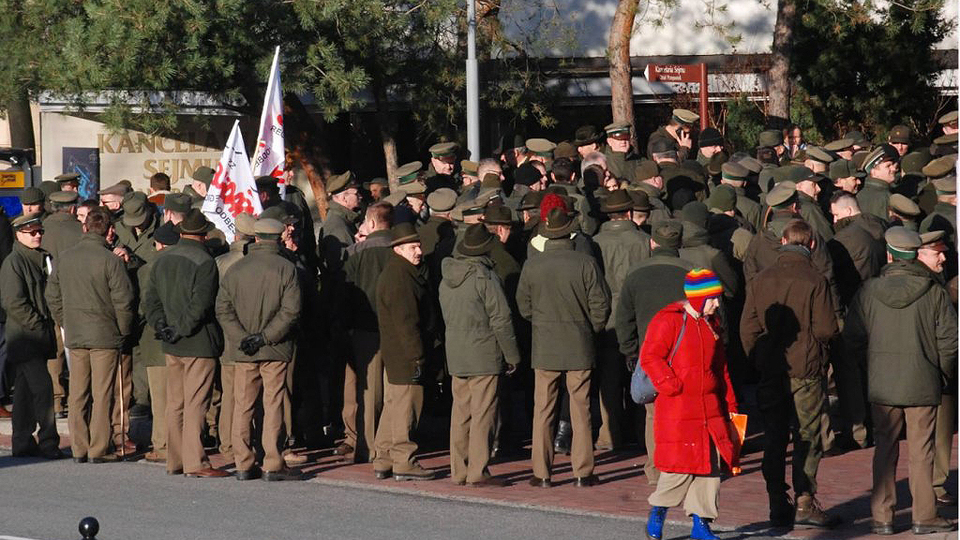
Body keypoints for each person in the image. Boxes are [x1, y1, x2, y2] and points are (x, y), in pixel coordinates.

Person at [843, 227, 957, 535]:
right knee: (922, 451)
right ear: (914, 255)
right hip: (923, 379)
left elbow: (852, 337)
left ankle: (882, 516)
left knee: (885, 448)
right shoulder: (933, 292)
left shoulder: (868, 291)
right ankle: (925, 515)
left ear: (890, 255)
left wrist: (871, 366)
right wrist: (940, 373)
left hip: (883, 382)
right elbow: (950, 340)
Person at [740, 219, 839, 528]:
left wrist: (758, 358)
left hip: (772, 367)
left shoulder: (761, 279)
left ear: (783, 241)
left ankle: (776, 501)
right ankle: (804, 501)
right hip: (806, 367)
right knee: (807, 435)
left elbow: (748, 327)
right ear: (811, 244)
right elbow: (827, 328)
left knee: (774, 435)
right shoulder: (816, 280)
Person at [517, 207, 610, 488]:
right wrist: (589, 329)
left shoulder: (533, 265)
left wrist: (542, 324)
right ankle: (583, 471)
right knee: (581, 409)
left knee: (543, 409)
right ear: (570, 233)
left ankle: (541, 472)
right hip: (579, 343)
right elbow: (601, 305)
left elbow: (524, 306)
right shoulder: (585, 263)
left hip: (545, 345)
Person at [642, 269, 739, 540]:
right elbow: (650, 357)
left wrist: (730, 402)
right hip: (679, 407)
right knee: (678, 469)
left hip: (710, 407)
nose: (716, 303)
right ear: (698, 298)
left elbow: (720, 368)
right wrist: (671, 385)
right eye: (712, 298)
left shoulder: (712, 325)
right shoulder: (669, 321)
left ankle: (701, 524)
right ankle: (658, 511)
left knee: (710, 468)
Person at [46, 206, 135, 463]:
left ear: (85, 227)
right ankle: (98, 448)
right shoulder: (111, 261)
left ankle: (79, 447)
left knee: (78, 392)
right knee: (102, 393)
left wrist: (65, 321)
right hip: (105, 335)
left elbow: (52, 295)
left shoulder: (65, 258)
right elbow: (124, 301)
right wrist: (123, 331)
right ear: (110, 231)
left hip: (76, 333)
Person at [217, 217, 303, 482]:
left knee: (242, 404)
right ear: (278, 239)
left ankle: (243, 462)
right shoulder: (287, 268)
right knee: (273, 403)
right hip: (275, 348)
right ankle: (272, 462)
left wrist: (243, 338)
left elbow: (223, 309)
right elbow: (291, 311)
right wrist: (265, 337)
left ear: (255, 238)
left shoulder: (237, 269)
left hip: (245, 350)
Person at [143, 209, 227, 478]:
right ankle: (195, 462)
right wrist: (179, 329)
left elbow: (151, 300)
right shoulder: (205, 261)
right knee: (196, 404)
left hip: (171, 342)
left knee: (175, 403)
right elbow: (200, 304)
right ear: (203, 234)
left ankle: (175, 460)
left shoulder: (162, 259)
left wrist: (162, 326)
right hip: (198, 342)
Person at [439, 224, 521, 486]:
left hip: (456, 352)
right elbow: (501, 318)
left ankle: (459, 470)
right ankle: (478, 471)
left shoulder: (446, 278)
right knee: (483, 413)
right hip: (484, 353)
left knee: (460, 413)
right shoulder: (485, 277)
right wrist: (512, 355)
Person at [372, 222, 436, 481]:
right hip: (405, 355)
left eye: (419, 246)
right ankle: (403, 461)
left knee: (393, 405)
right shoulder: (400, 277)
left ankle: (383, 458)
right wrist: (417, 356)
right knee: (406, 408)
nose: (418, 251)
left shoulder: (399, 272)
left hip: (396, 353)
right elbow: (406, 322)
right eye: (412, 247)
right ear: (398, 249)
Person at [592, 189, 651, 450]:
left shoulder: (595, 242)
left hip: (607, 316)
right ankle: (642, 432)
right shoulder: (644, 241)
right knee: (641, 374)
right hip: (638, 313)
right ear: (629, 212)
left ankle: (610, 434)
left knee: (609, 379)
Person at [2, 213, 63, 459]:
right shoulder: (14, 263)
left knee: (25, 392)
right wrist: (38, 326)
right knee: (43, 389)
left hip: (37, 336)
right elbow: (13, 302)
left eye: (40, 231)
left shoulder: (42, 258)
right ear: (19, 234)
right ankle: (48, 442)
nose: (38, 235)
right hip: (26, 338)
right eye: (32, 232)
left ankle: (22, 441)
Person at [340, 202, 394, 463]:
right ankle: (389, 445)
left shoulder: (355, 253)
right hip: (395, 329)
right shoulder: (402, 248)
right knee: (394, 390)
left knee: (369, 390)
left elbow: (344, 292)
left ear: (371, 223)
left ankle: (368, 446)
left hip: (364, 329)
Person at [137, 221, 181, 464]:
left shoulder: (148, 268)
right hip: (183, 336)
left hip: (155, 339)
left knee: (161, 397)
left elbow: (143, 306)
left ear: (159, 244)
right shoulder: (187, 263)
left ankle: (163, 444)